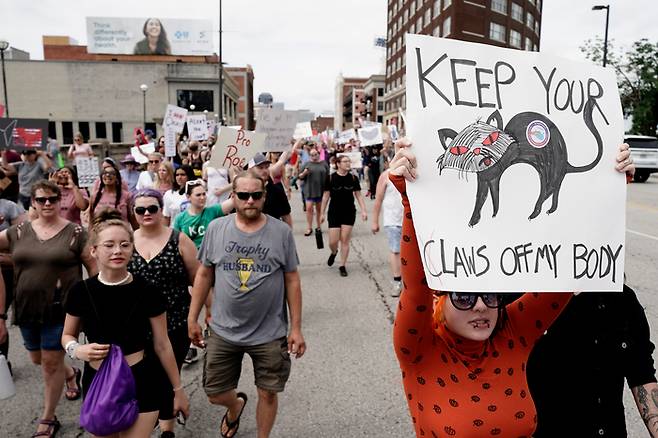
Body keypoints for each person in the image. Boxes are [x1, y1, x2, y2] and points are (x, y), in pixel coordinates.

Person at [388, 139, 634, 437]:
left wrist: (606, 186)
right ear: (439, 299)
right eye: (463, 297)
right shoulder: (418, 349)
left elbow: (567, 271)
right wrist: (410, 200)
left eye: (490, 295)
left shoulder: (513, 334)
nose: (480, 305)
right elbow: (415, 286)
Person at [188, 171, 306, 438]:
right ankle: (234, 406)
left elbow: (292, 280)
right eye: (243, 195)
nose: (250, 200)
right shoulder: (217, 228)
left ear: (264, 197)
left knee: (268, 392)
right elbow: (204, 274)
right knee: (215, 393)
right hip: (223, 329)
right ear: (233, 197)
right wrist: (192, 317)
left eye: (256, 195)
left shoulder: (281, 232)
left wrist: (296, 328)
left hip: (269, 331)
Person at [62, 209, 189, 438]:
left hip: (141, 378)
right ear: (94, 251)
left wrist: (177, 390)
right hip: (98, 381)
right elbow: (67, 335)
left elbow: (162, 344)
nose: (117, 251)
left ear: (132, 249)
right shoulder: (81, 292)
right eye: (109, 245)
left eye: (124, 244)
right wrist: (77, 349)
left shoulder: (148, 291)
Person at [0, 180, 96, 437]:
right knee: (38, 359)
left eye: (52, 199)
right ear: (32, 202)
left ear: (59, 201)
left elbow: (94, 267)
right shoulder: (18, 232)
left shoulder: (76, 233)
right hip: (26, 308)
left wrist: (100, 300)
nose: (47, 204)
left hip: (61, 309)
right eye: (41, 200)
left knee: (50, 364)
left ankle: (48, 417)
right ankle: (70, 373)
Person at [128, 190, 198, 438]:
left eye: (152, 208)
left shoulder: (179, 239)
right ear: (133, 213)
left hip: (176, 321)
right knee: (146, 377)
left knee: (168, 374)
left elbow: (197, 280)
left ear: (161, 210)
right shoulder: (125, 241)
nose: (146, 213)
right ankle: (156, 415)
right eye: (140, 210)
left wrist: (205, 314)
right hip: (136, 325)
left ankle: (167, 427)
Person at [320, 154, 367, 277]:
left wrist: (363, 210)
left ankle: (342, 265)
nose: (348, 163)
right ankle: (334, 252)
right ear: (338, 164)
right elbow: (325, 197)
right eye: (345, 161)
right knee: (333, 241)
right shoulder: (330, 178)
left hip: (349, 212)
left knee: (345, 240)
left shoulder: (353, 178)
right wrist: (322, 213)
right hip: (334, 212)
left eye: (349, 161)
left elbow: (358, 195)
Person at [371, 165, 403, 296]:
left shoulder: (413, 173)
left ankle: (410, 282)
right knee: (395, 250)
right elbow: (378, 199)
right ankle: (397, 281)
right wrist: (374, 221)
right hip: (393, 220)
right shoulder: (386, 175)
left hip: (409, 220)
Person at [172, 180, 234, 249]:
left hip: (208, 256)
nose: (202, 197)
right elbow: (175, 242)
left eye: (204, 194)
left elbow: (233, 201)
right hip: (190, 257)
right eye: (198, 195)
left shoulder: (212, 211)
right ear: (188, 197)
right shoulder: (180, 218)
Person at [248, 152, 293, 228]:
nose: (265, 170)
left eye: (266, 167)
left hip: (272, 234)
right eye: (260, 168)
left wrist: (288, 237)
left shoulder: (277, 191)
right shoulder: (242, 191)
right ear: (250, 170)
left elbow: (286, 216)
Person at [90, 159, 133, 223]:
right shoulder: (95, 196)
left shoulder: (126, 195)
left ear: (117, 178)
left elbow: (132, 218)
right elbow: (91, 217)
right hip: (99, 231)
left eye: (111, 173)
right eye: (104, 173)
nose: (107, 175)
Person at [298, 147, 329, 236]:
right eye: (312, 155)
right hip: (310, 190)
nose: (314, 156)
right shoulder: (307, 164)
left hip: (321, 189)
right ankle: (309, 227)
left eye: (315, 154)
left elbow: (328, 175)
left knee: (319, 209)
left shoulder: (324, 163)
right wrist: (304, 173)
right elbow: (299, 176)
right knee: (309, 209)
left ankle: (319, 227)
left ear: (319, 154)